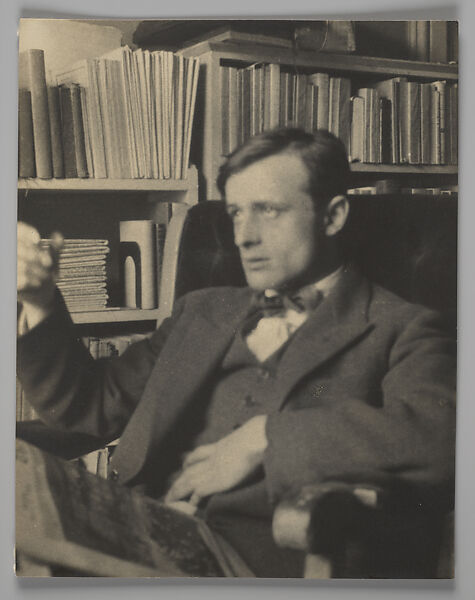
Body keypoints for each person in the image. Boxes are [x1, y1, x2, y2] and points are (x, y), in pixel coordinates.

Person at [17, 128, 456, 577]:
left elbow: (444, 439)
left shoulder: (402, 327)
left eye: (267, 210)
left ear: (333, 216)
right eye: (236, 213)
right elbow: (89, 406)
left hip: (265, 566)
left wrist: (266, 438)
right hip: (141, 534)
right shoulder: (201, 311)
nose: (243, 236)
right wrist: (41, 300)